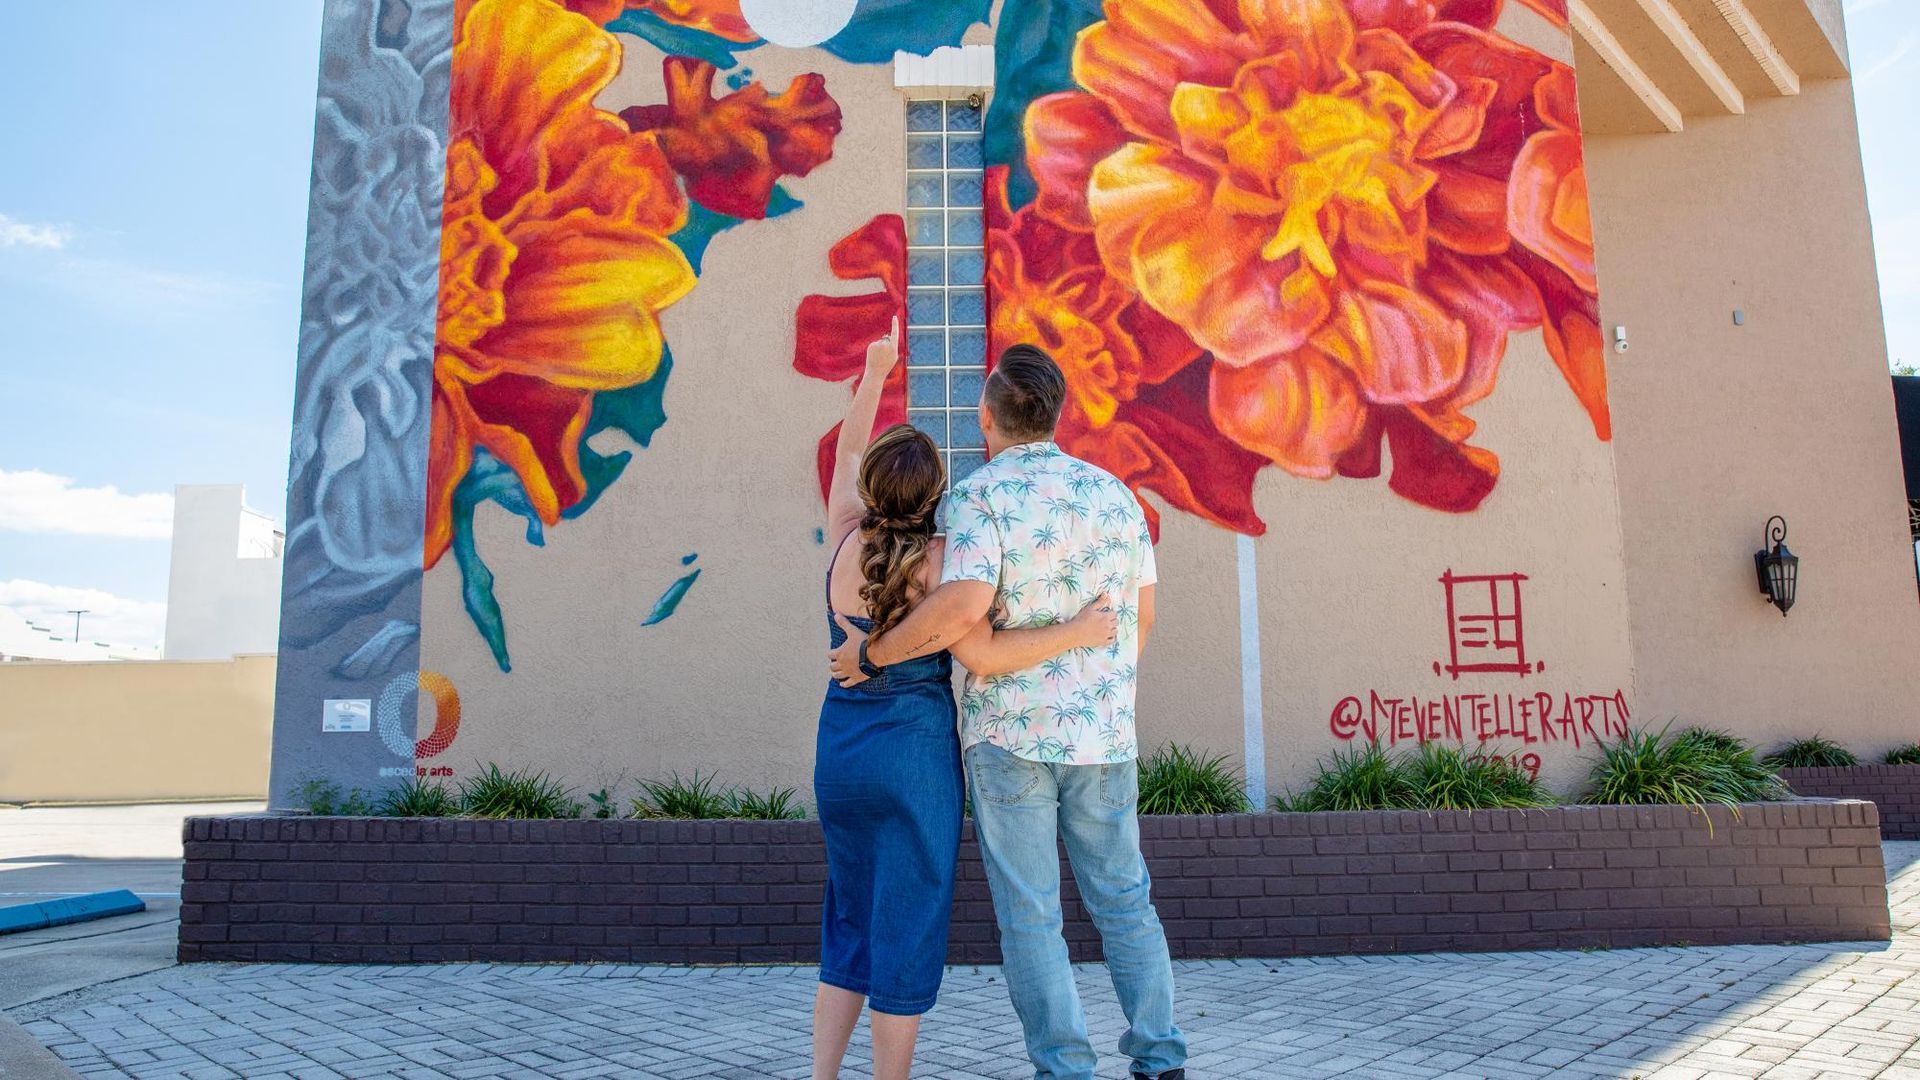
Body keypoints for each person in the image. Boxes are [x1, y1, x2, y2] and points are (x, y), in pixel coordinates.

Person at [829, 345, 1187, 1080]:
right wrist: (1094, 684)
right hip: (1103, 736)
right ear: (1056, 413)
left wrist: (874, 655)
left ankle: (1065, 1068)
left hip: (1009, 738)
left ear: (986, 418)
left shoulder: (974, 502)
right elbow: (1140, 624)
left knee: (1033, 917)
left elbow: (968, 630)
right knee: (1125, 901)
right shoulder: (1117, 497)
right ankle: (1160, 1057)